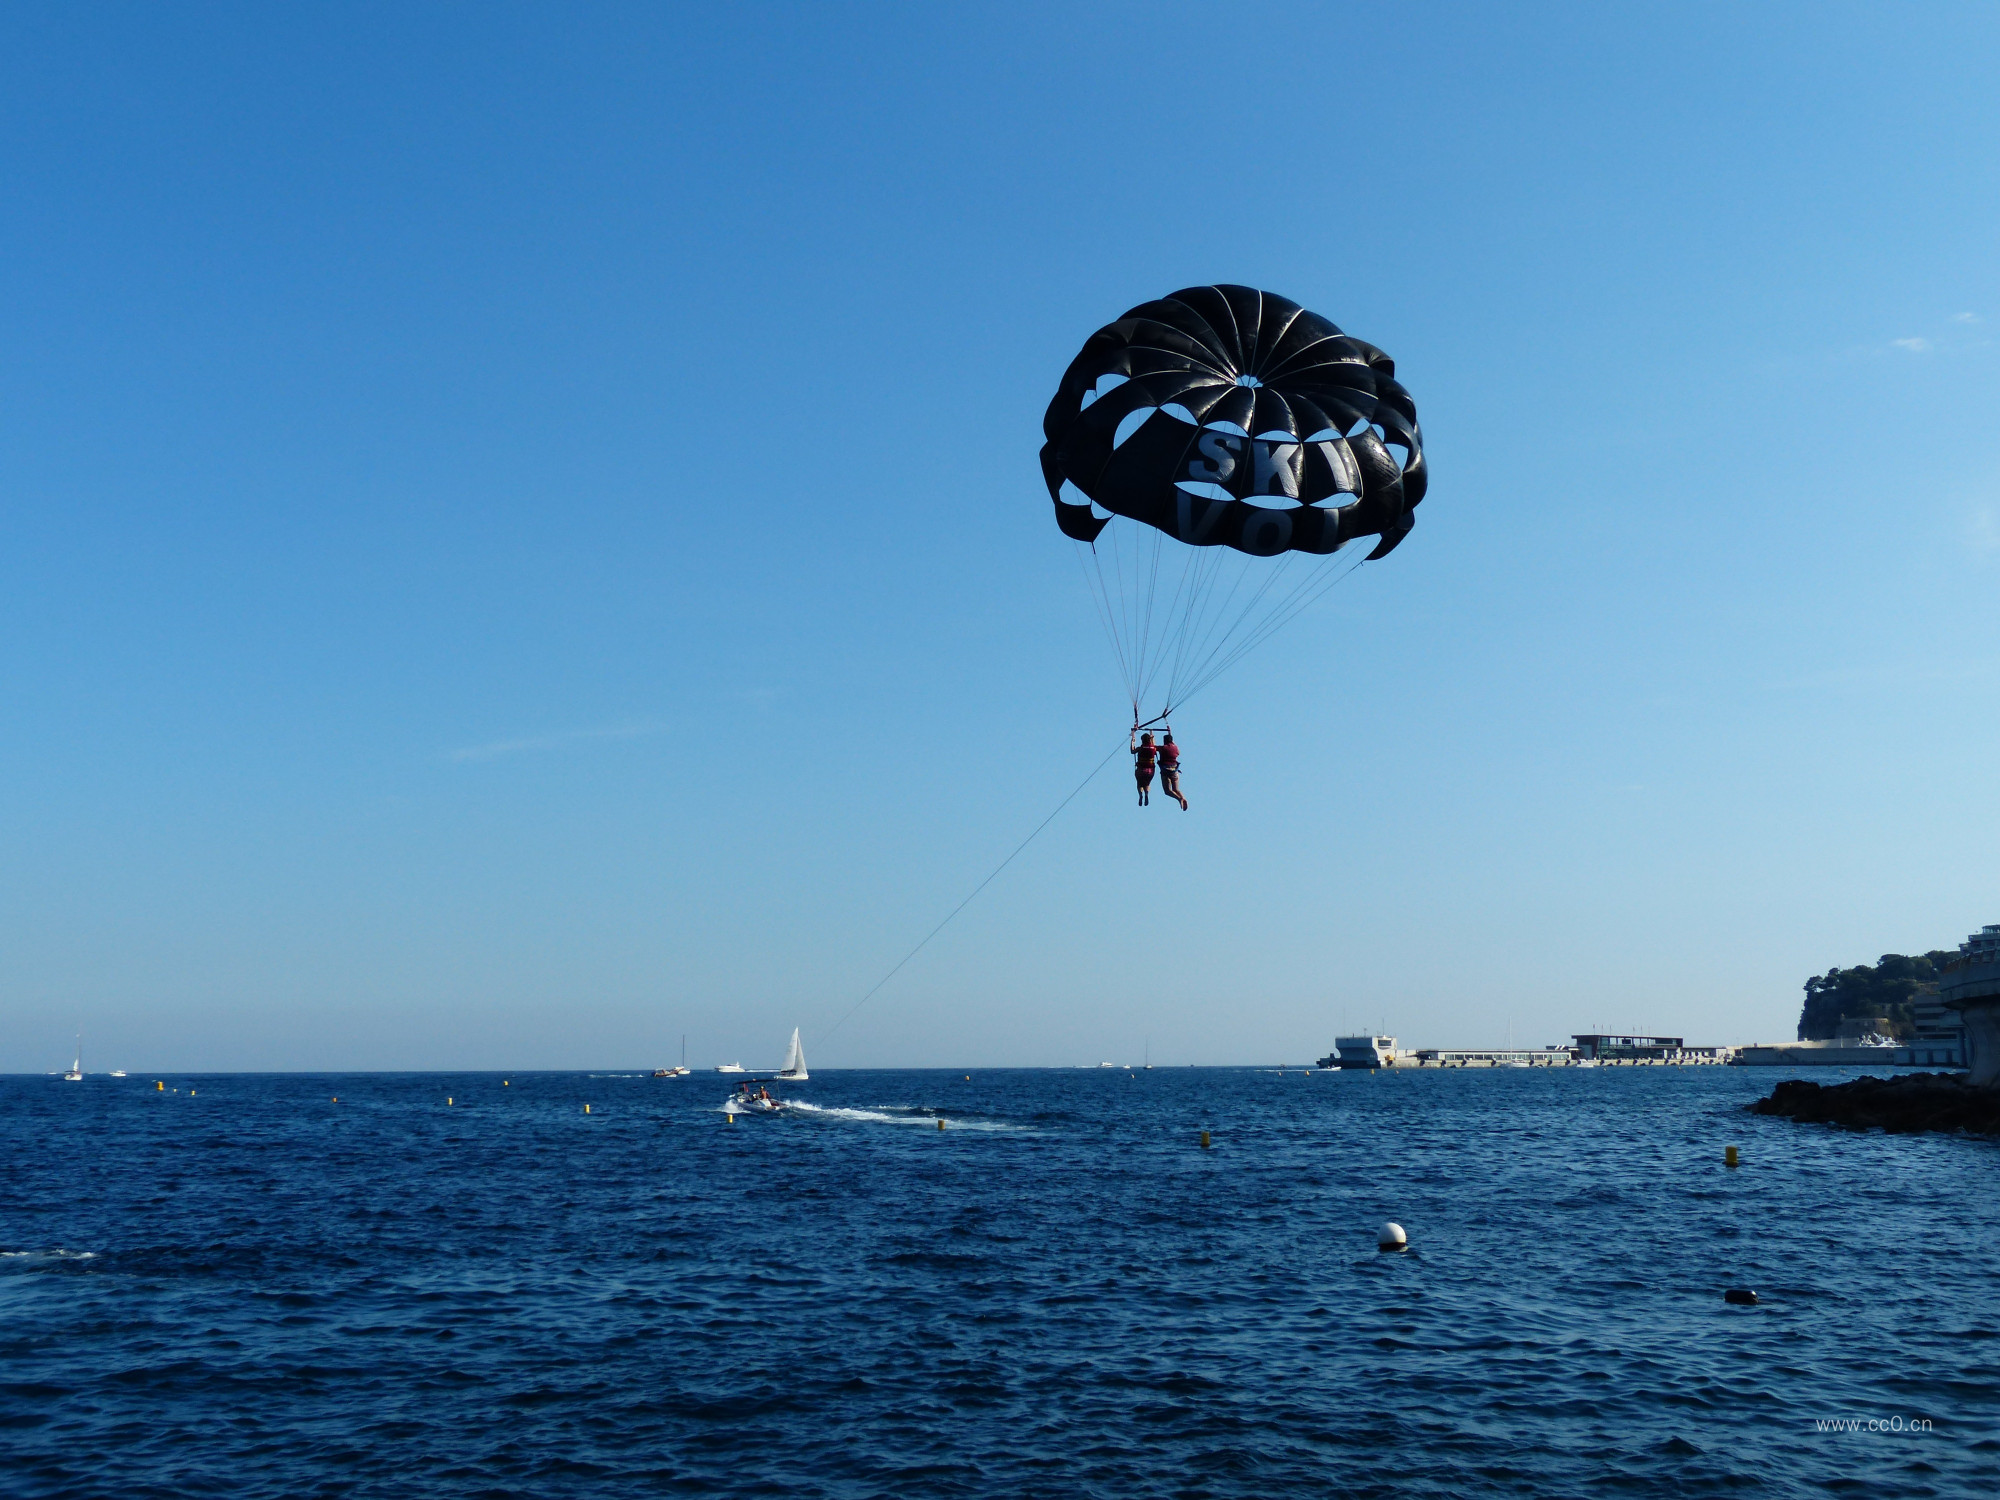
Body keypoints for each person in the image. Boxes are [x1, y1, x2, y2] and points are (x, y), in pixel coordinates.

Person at [1158, 729, 1187, 810]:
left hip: (1166, 771)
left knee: (1167, 791)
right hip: (1174, 771)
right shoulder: (1176, 749)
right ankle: (1183, 797)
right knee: (1176, 789)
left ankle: (1179, 799)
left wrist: (1151, 736)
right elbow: (1178, 751)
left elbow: (1153, 747)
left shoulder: (1162, 748)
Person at [1131, 730, 1157, 806]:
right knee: (1147, 783)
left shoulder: (1140, 748)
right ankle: (1146, 793)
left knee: (1139, 783)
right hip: (1150, 771)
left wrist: (1132, 741)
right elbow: (1154, 746)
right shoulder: (1153, 748)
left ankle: (1140, 795)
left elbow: (1132, 751)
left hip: (1140, 770)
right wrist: (1152, 738)